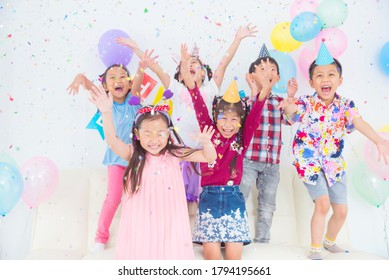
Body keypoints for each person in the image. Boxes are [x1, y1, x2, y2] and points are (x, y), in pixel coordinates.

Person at [116, 24, 258, 204]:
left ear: (204, 73)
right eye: (186, 64)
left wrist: (237, 39)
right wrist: (136, 48)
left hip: (205, 153)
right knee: (175, 199)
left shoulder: (211, 88)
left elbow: (224, 63)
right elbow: (157, 68)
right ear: (181, 74)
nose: (191, 66)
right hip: (180, 152)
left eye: (195, 64)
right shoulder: (176, 88)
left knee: (202, 199)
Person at [281, 41, 389, 260]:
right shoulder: (305, 103)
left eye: (331, 74)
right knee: (323, 203)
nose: (325, 79)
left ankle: (329, 242)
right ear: (311, 82)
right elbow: (291, 114)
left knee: (341, 211)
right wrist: (290, 101)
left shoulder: (346, 105)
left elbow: (359, 123)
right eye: (319, 76)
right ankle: (315, 248)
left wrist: (378, 140)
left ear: (340, 80)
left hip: (334, 164)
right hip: (308, 162)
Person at [89, 83, 217, 259]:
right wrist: (106, 112)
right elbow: (112, 141)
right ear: (137, 134)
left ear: (169, 133)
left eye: (160, 133)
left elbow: (208, 157)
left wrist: (207, 143)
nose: (154, 139)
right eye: (148, 133)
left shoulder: (175, 152)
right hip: (141, 223)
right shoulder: (132, 154)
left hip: (169, 222)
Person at [180, 44, 271, 260]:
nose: (228, 124)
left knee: (233, 260)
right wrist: (185, 66)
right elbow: (195, 96)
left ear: (241, 123)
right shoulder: (208, 130)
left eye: (234, 120)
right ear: (215, 117)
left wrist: (263, 87)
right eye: (223, 118)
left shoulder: (242, 138)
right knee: (212, 258)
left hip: (233, 201)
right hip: (209, 201)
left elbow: (256, 111)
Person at [67, 50, 157, 252]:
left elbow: (139, 76)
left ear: (129, 83)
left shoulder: (133, 101)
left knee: (140, 199)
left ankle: (143, 237)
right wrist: (80, 78)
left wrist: (142, 65)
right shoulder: (104, 104)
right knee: (114, 197)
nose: (118, 80)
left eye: (123, 77)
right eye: (112, 78)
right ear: (106, 86)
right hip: (116, 160)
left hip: (138, 161)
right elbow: (90, 85)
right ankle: (100, 238)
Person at [239, 44, 298, 243]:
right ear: (251, 76)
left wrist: (290, 100)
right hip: (248, 160)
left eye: (272, 70)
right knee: (240, 196)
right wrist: (255, 92)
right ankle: (236, 236)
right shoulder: (246, 102)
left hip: (272, 164)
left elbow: (291, 119)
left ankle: (263, 240)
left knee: (268, 204)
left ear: (278, 78)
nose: (267, 73)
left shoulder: (279, 101)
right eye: (262, 69)